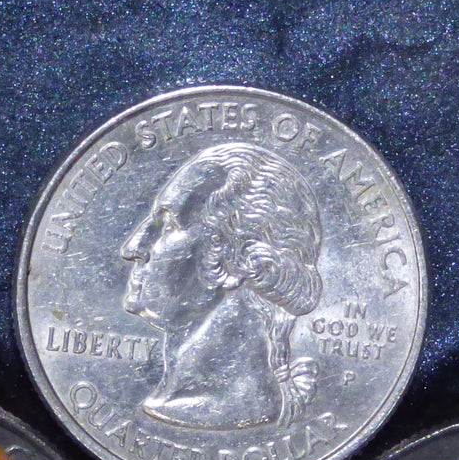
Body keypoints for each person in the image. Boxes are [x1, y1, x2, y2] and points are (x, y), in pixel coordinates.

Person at [120, 141, 323, 430]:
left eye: (168, 226)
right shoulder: (175, 403)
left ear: (233, 260)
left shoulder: (222, 408)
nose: (133, 248)